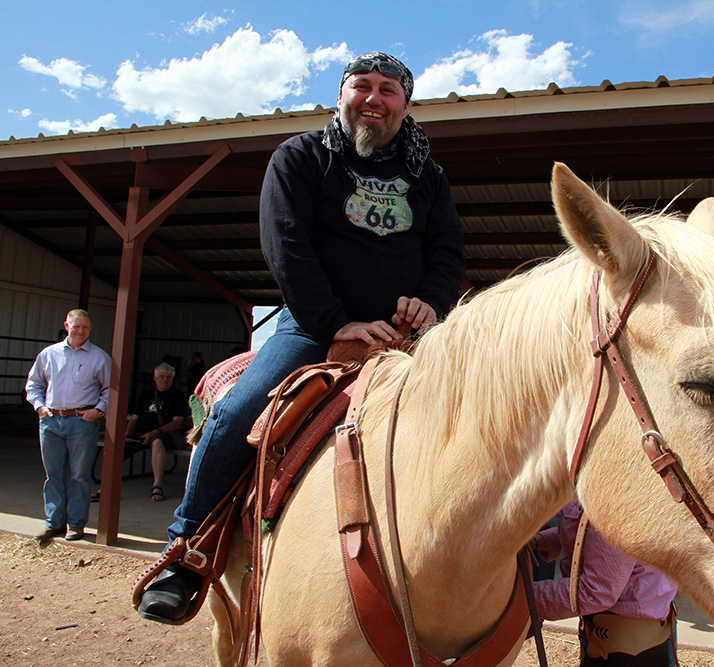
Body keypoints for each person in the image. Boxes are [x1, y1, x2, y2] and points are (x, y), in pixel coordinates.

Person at [137, 51, 466, 624]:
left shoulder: (429, 177)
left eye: (388, 89)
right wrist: (336, 321)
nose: (373, 98)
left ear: (405, 105)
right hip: (315, 325)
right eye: (362, 86)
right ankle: (186, 553)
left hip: (406, 332)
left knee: (489, 407)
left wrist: (431, 302)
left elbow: (447, 253)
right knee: (236, 414)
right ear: (341, 96)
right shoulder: (301, 156)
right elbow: (286, 242)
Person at [529, 502, 678, 666]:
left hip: (630, 647)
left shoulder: (614, 505)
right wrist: (539, 541)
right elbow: (587, 533)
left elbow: (595, 591)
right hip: (610, 635)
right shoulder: (597, 496)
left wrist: (523, 598)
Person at [24, 309, 111, 546]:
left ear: (90, 328)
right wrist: (40, 407)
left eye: (85, 327)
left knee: (79, 476)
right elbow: (33, 384)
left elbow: (109, 389)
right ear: (66, 326)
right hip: (51, 420)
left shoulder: (99, 357)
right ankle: (54, 522)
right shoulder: (48, 354)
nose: (80, 331)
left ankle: (76, 524)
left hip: (81, 422)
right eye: (76, 326)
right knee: (53, 474)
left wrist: (97, 411)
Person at [127, 363, 188, 502]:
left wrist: (154, 432)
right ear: (155, 378)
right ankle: (106, 484)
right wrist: (126, 433)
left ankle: (157, 485)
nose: (164, 379)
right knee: (119, 445)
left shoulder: (178, 396)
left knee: (158, 442)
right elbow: (134, 418)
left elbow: (177, 423)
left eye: (168, 377)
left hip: (163, 434)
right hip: (141, 433)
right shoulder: (146, 394)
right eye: (161, 376)